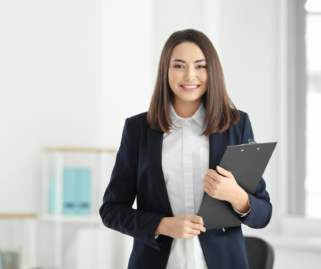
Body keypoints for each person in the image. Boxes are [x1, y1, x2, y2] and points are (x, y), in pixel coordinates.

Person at [99, 29, 272, 269]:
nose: (190, 76)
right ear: (165, 71)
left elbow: (264, 214)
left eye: (200, 66)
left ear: (212, 71)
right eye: (179, 66)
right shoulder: (138, 129)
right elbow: (111, 210)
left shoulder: (237, 125)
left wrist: (237, 196)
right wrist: (162, 225)